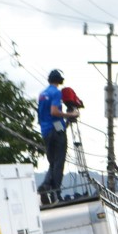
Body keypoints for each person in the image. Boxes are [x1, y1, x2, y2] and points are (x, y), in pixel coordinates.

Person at [36, 69, 79, 204]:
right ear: (60, 81)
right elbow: (54, 112)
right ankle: (55, 193)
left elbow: (45, 116)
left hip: (46, 131)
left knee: (53, 162)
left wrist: (65, 123)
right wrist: (70, 115)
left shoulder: (42, 94)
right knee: (59, 163)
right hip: (56, 132)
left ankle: (45, 185)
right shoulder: (56, 93)